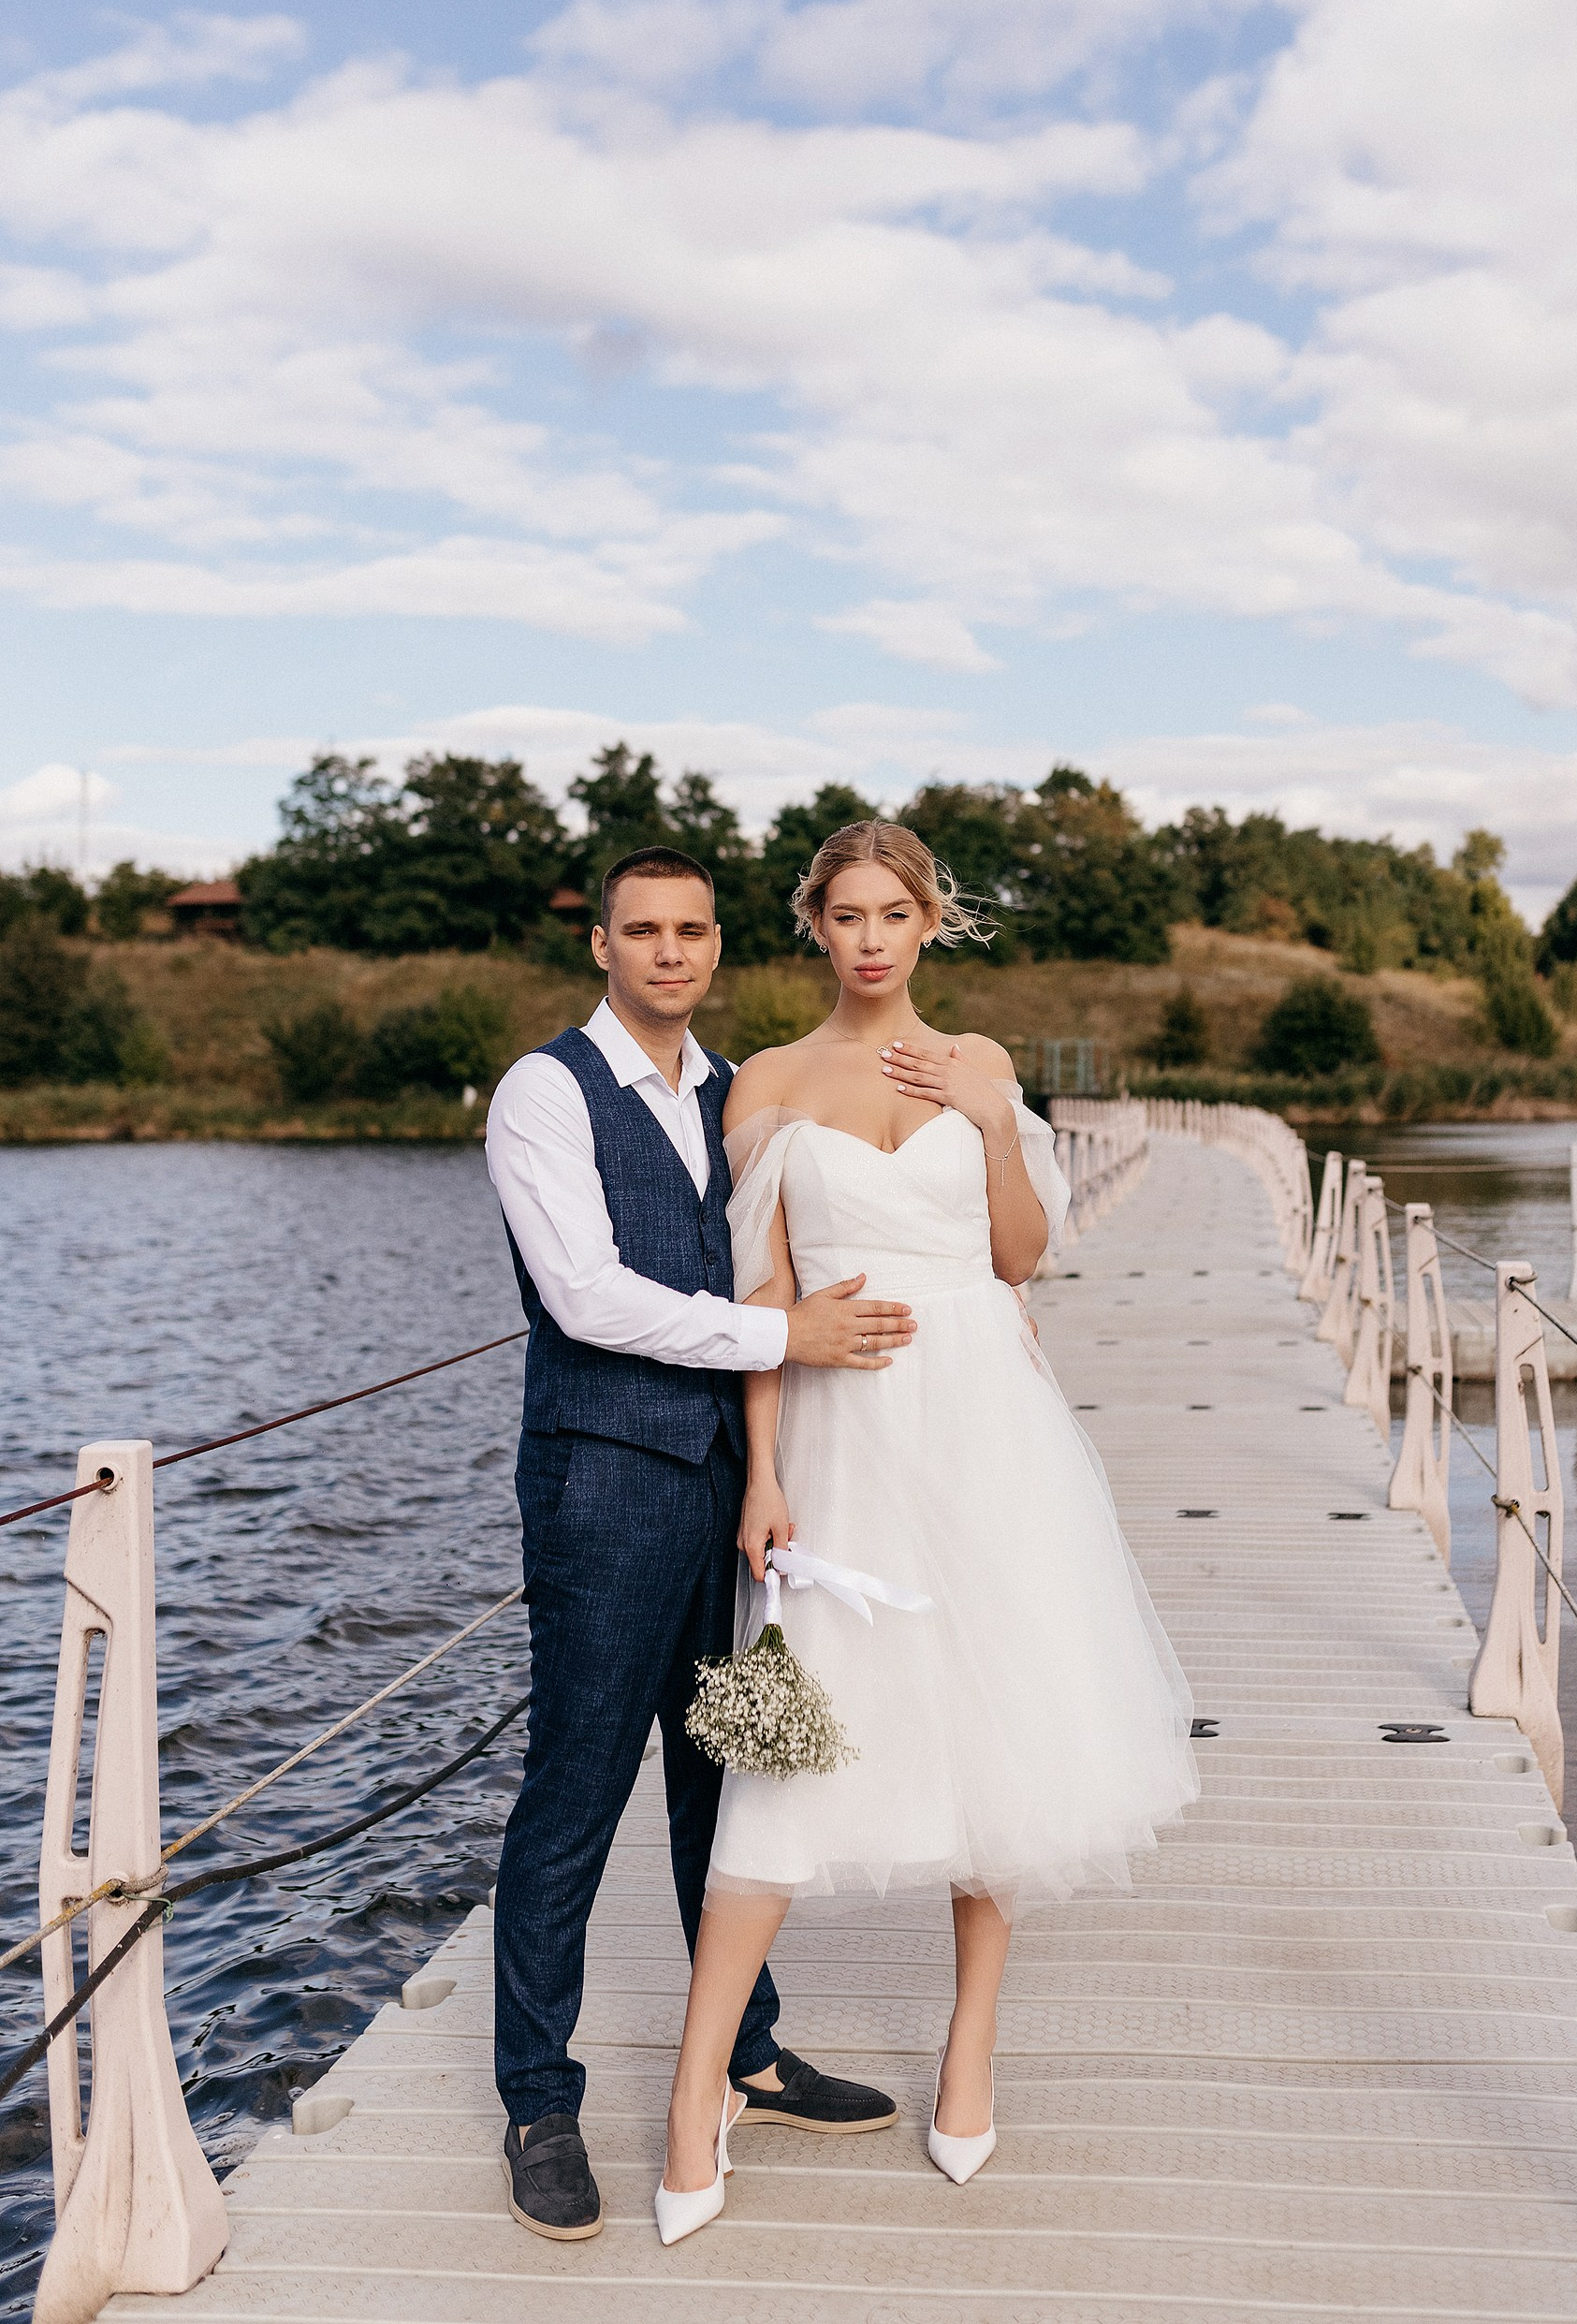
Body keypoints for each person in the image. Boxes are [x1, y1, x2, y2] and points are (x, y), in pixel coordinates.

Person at [652, 821, 1198, 2245]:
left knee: (992, 1721)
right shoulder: (765, 1083)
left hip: (991, 1428)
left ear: (932, 922)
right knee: (788, 1742)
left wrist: (988, 1103)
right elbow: (760, 1292)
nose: (874, 936)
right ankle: (696, 2085)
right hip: (841, 1432)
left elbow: (1020, 1253)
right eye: (848, 913)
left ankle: (971, 2047)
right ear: (815, 927)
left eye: (898, 912)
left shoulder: (985, 1065)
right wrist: (763, 1473)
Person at [485, 844, 912, 2244]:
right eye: (640, 931)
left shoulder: (736, 1093)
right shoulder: (546, 1093)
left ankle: (749, 2054)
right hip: (606, 1487)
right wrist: (784, 1335)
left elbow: (796, 1254)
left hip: (732, 1492)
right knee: (577, 1790)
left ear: (718, 945)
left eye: (691, 933)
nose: (668, 953)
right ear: (600, 944)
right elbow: (589, 1297)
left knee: (730, 1775)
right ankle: (542, 2101)